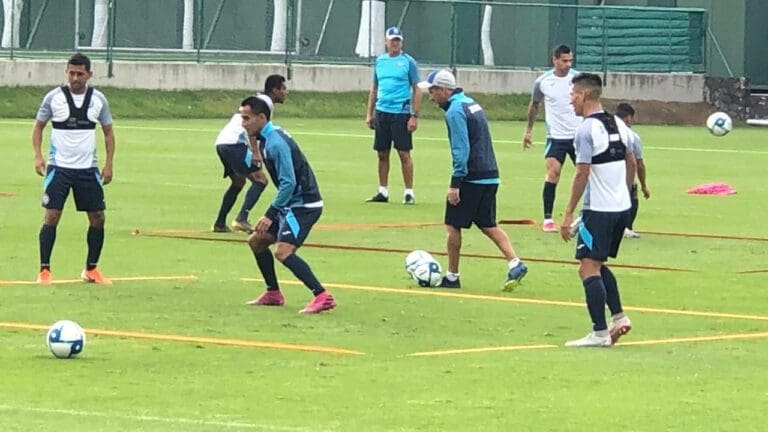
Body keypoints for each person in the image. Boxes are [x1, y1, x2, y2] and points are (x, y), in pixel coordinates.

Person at [418, 69, 528, 291]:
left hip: (472, 177)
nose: (430, 97)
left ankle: (452, 276)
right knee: (488, 224)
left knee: (452, 224)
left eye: (432, 91)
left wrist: (455, 183)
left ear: (443, 90)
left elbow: (461, 149)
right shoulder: (471, 103)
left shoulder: (455, 111)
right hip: (490, 175)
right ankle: (515, 262)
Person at [239, 96, 336, 314]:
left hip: (304, 205)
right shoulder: (266, 137)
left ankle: (322, 296)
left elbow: (289, 182)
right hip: (291, 203)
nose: (243, 123)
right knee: (257, 241)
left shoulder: (275, 143)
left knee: (282, 252)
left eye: (247, 118)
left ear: (262, 118)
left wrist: (270, 214)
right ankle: (273, 293)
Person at [559, 73, 633, 347]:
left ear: (584, 96)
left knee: (587, 268)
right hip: (621, 208)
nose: (570, 101)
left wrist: (568, 214)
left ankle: (599, 332)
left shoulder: (585, 130)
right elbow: (632, 161)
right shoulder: (620, 124)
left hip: (599, 210)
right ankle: (619, 318)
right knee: (598, 264)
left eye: (572, 96)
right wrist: (623, 192)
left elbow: (581, 173)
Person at [32, 53, 114, 285]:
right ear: (66, 72)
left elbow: (108, 133)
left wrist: (108, 164)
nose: (75, 78)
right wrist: (38, 157)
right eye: (71, 73)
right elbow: (38, 128)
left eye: (80, 73)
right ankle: (44, 270)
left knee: (98, 217)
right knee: (52, 215)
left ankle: (91, 269)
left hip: (88, 169)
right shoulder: (53, 98)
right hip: (59, 168)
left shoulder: (99, 100)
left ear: (89, 74)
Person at [213, 74, 287, 233]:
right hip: (235, 143)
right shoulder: (265, 104)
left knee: (238, 182)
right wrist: (256, 153)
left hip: (222, 142)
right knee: (260, 180)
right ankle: (241, 218)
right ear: (274, 90)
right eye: (283, 88)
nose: (285, 92)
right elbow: (253, 128)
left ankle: (219, 223)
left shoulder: (257, 100)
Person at [523, 45, 582, 232]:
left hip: (579, 136)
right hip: (556, 137)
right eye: (564, 60)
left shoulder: (578, 79)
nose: (567, 64)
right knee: (553, 173)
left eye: (570, 61)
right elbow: (534, 106)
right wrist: (528, 131)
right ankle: (548, 218)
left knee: (586, 174)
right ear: (554, 60)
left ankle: (583, 214)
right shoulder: (543, 82)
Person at [365, 26, 421, 205]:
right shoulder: (380, 61)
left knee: (404, 153)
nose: (395, 43)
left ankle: (409, 192)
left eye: (398, 40)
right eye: (392, 40)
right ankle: (382, 190)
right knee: (382, 153)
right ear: (386, 42)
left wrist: (414, 115)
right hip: (382, 111)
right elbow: (374, 88)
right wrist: (370, 113)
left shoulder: (408, 62)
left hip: (401, 112)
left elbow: (417, 89)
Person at [616, 102, 650, 238]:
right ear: (628, 118)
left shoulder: (607, 127)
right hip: (623, 173)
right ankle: (627, 227)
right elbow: (639, 164)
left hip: (603, 171)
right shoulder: (632, 136)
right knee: (632, 193)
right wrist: (644, 185)